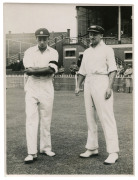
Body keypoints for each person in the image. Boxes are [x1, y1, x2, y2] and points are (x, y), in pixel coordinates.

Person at [75, 25, 119, 165]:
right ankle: (92, 148)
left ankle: (113, 152)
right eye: (90, 34)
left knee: (106, 117)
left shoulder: (108, 50)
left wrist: (109, 87)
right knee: (90, 117)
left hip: (102, 81)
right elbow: (82, 71)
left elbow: (112, 70)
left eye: (94, 34)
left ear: (101, 35)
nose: (91, 37)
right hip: (89, 82)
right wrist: (78, 85)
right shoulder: (87, 52)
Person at [23, 28, 59, 164]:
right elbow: (29, 71)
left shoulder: (54, 52)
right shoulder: (29, 52)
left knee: (46, 119)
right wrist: (41, 70)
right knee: (31, 119)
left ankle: (45, 148)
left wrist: (35, 70)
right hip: (32, 87)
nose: (42, 41)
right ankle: (31, 152)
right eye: (40, 39)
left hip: (47, 87)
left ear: (48, 39)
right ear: (36, 39)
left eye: (45, 39)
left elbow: (51, 69)